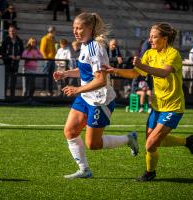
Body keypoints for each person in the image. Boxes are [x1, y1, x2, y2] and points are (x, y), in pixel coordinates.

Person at [53, 12, 139, 179]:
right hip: (86, 96)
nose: (76, 32)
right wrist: (66, 74)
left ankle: (129, 139)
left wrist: (77, 90)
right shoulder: (85, 45)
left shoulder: (95, 48)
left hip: (100, 100)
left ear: (90, 28)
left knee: (93, 144)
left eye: (79, 28)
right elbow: (86, 71)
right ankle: (84, 170)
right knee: (70, 131)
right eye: (74, 28)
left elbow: (100, 80)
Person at [106, 22, 193, 181]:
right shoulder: (149, 53)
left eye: (154, 37)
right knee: (153, 141)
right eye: (150, 36)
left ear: (165, 38)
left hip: (173, 107)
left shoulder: (173, 54)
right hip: (157, 106)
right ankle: (187, 141)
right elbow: (135, 73)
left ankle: (150, 173)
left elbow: (163, 73)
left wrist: (143, 66)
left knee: (150, 144)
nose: (150, 40)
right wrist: (114, 70)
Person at [0, 25, 24, 97]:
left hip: (15, 64)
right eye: (10, 31)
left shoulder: (19, 41)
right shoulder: (5, 40)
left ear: (16, 31)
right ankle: (4, 96)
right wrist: (9, 56)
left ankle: (12, 97)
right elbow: (1, 52)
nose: (11, 32)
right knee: (5, 81)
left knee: (13, 81)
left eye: (13, 31)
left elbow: (22, 52)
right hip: (7, 63)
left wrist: (20, 56)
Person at [40, 26, 57, 96]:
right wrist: (46, 59)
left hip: (52, 60)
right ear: (51, 31)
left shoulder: (53, 39)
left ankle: (50, 91)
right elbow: (42, 50)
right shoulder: (45, 38)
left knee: (51, 76)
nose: (54, 33)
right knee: (45, 75)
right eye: (54, 31)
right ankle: (43, 90)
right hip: (47, 60)